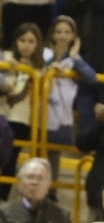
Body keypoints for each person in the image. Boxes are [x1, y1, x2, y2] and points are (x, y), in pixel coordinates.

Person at [43, 14, 96, 178]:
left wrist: (74, 57)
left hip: (61, 113)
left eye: (67, 32)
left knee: (54, 155)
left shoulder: (75, 60)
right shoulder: (44, 54)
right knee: (38, 151)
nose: (62, 36)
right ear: (52, 34)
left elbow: (92, 77)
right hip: (41, 109)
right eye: (58, 32)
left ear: (73, 35)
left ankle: (51, 193)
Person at [0, 22, 43, 200]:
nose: (26, 45)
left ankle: (2, 198)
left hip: (22, 120)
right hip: (2, 115)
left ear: (37, 44)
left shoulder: (39, 67)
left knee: (11, 160)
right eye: (22, 40)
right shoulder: (6, 57)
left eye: (31, 41)